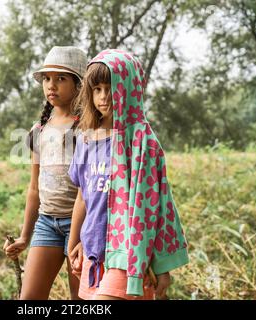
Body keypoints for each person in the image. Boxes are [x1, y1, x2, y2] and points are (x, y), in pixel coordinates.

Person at [67, 49, 189, 300]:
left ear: (129, 88)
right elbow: (83, 197)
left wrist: (162, 264)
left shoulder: (143, 142)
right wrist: (74, 243)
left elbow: (161, 206)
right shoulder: (86, 140)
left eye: (111, 87)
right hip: (94, 253)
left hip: (129, 254)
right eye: (97, 89)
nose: (103, 96)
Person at [3, 46, 87, 299]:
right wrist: (24, 236)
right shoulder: (39, 129)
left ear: (80, 85)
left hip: (82, 226)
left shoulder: (88, 128)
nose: (51, 85)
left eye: (61, 78)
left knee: (81, 299)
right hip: (47, 224)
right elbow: (34, 189)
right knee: (29, 299)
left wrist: (86, 234)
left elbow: (92, 188)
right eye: (47, 79)